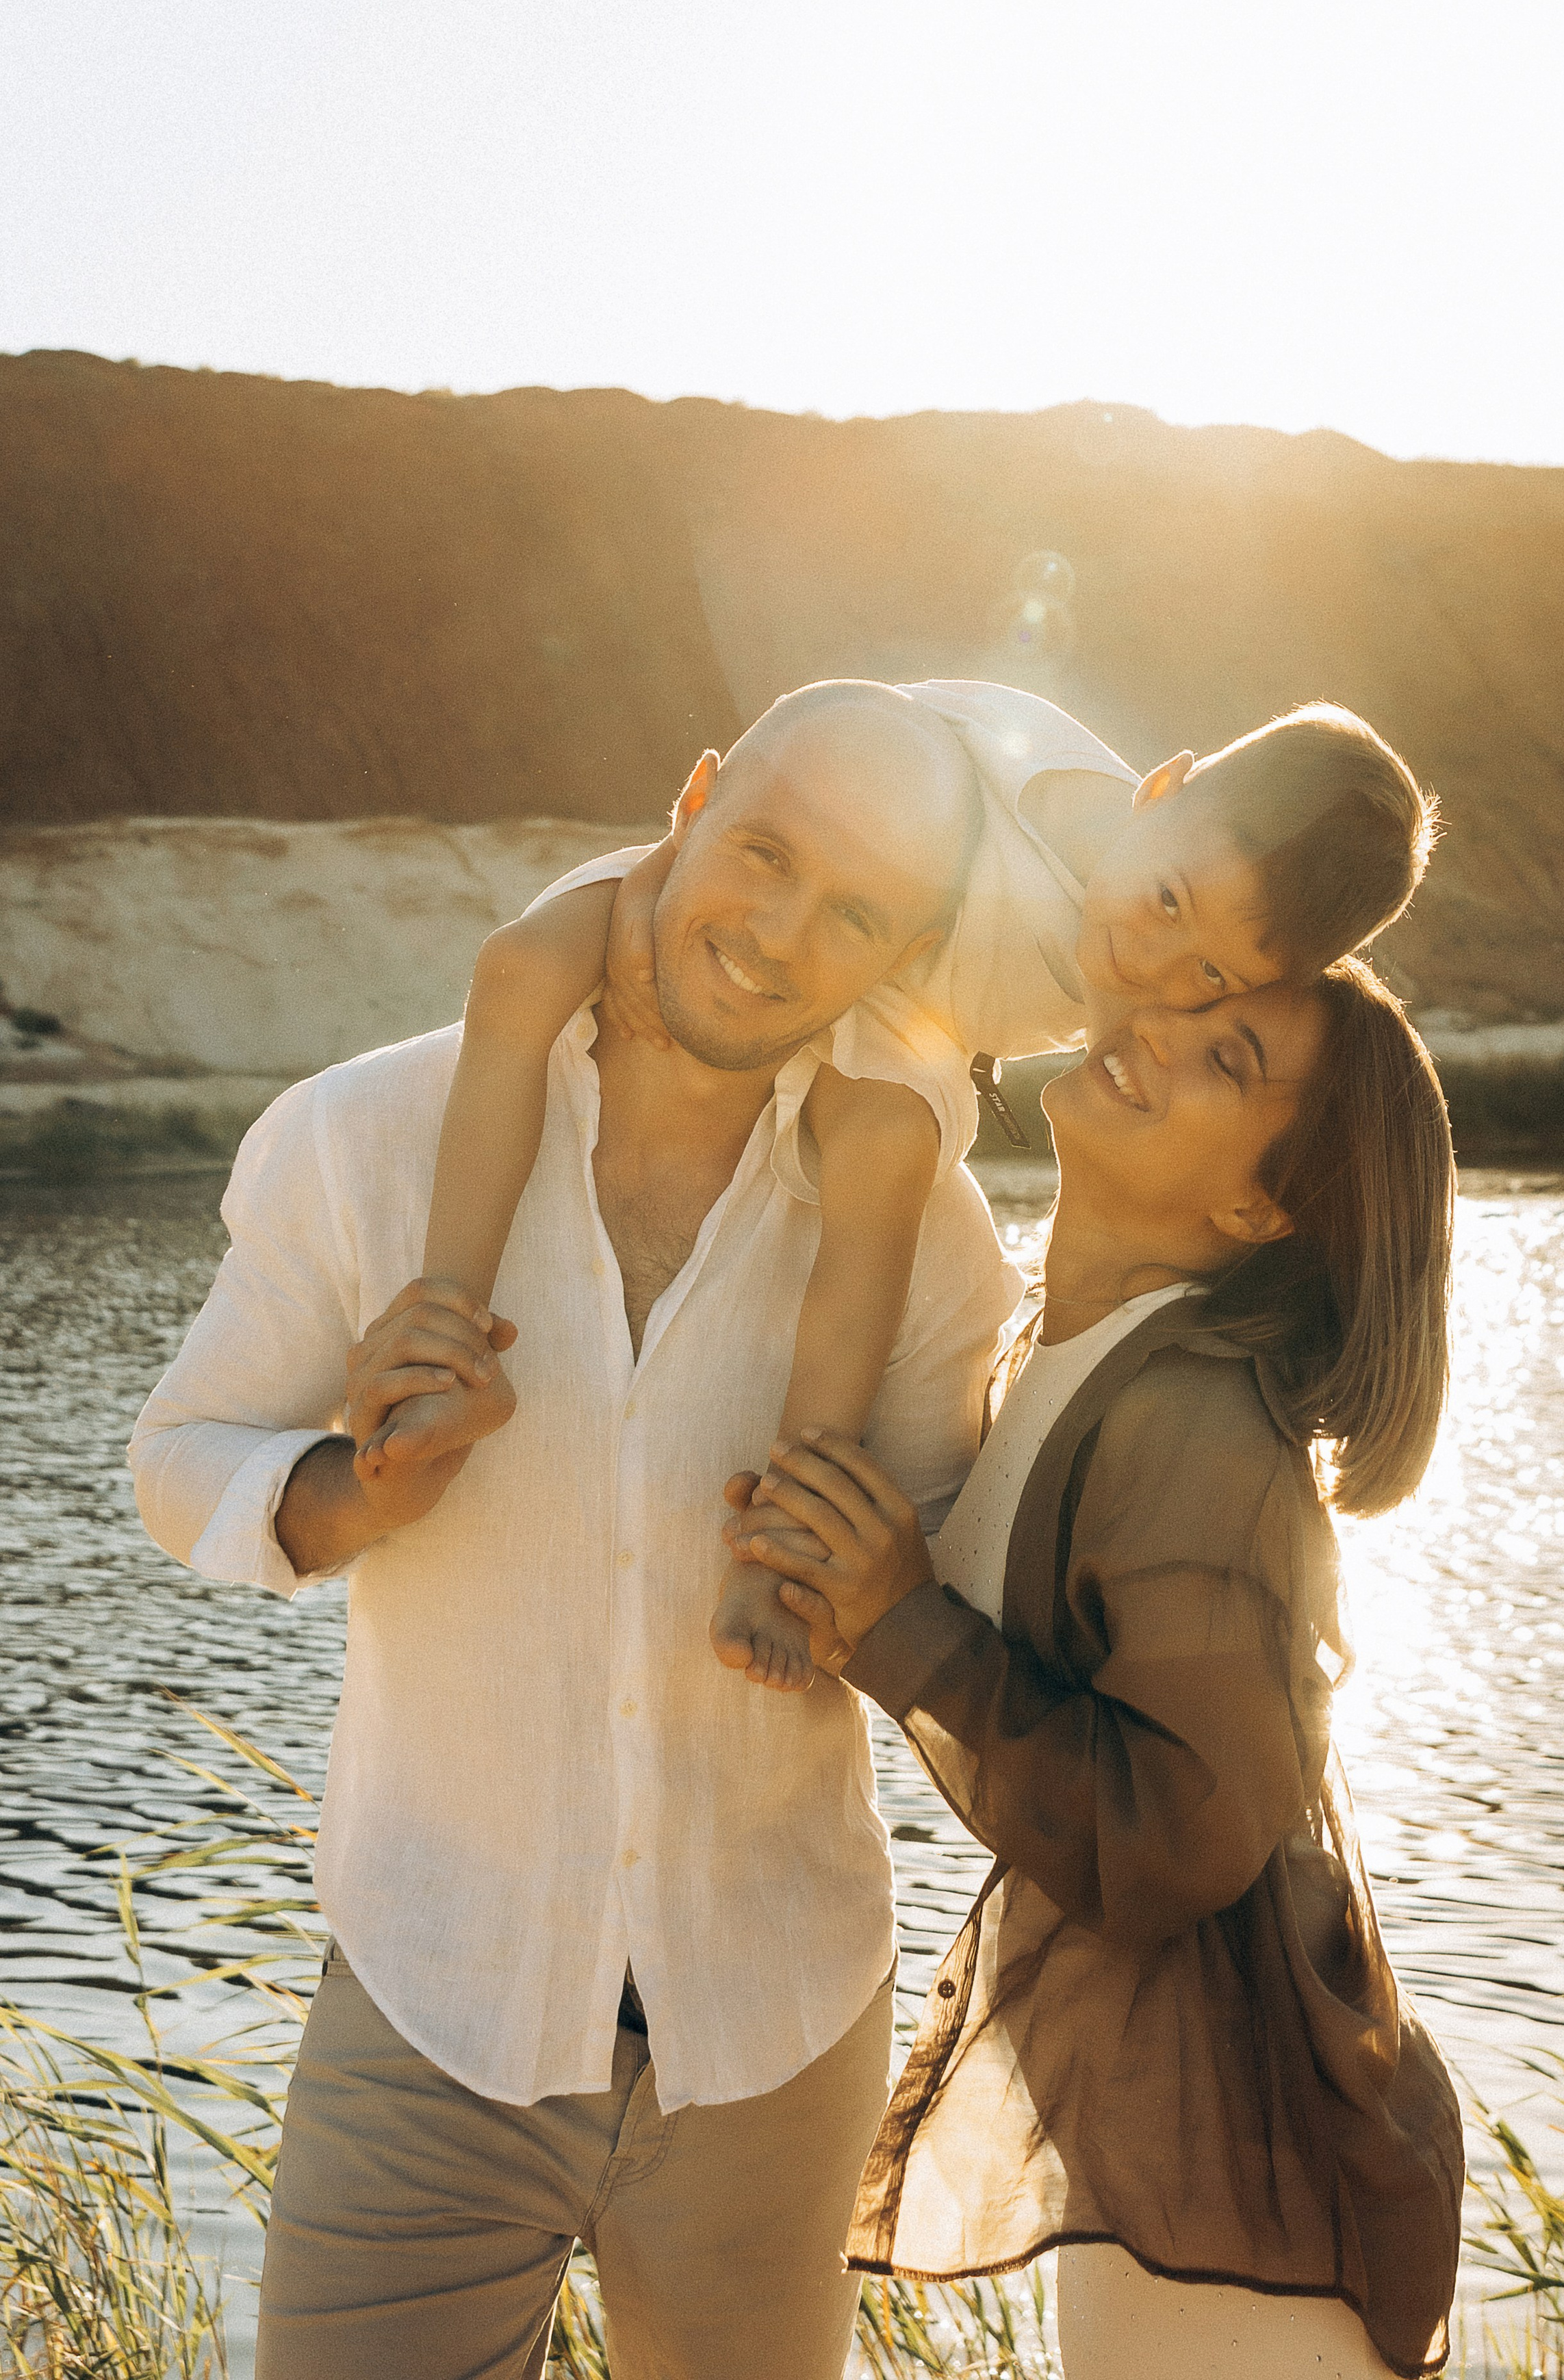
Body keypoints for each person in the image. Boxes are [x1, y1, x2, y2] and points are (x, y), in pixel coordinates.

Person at [128, 684, 1027, 2380]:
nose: (775, 936)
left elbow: (948, 1578)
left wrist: (888, 1578)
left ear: (901, 952)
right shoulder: (366, 1137)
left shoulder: (924, 1227)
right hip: (429, 2003)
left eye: (854, 914)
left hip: (772, 2032)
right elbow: (180, 1455)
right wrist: (351, 1490)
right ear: (688, 801)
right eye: (761, 852)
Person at [367, 677, 1435, 1692]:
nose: (1153, 964)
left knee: (883, 1169)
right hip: (804, 891)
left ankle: (780, 1548)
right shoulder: (1026, 761)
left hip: (899, 1012)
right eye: (1166, 900)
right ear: (1164, 787)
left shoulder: (1147, 997)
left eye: (1211, 974)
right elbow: (825, 747)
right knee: (520, 970)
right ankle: (440, 1340)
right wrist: (661, 883)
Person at [728, 959, 1464, 2379]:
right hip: (1171, 2124)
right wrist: (853, 1579)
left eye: (1225, 1057)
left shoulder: (1192, 1419)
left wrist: (898, 1625)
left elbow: (1185, 1833)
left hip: (1239, 2150)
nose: (1155, 1035)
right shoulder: (1060, 1349)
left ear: (1259, 1208)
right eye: (1180, 1009)